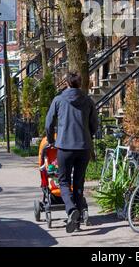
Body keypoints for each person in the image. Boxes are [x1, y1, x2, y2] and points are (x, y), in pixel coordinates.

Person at [45, 71, 98, 233]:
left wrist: (51, 140)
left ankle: (71, 209)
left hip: (65, 147)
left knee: (63, 181)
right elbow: (94, 124)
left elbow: (49, 123)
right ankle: (78, 219)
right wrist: (88, 136)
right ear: (80, 84)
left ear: (67, 83)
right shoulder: (88, 101)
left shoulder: (59, 100)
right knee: (79, 182)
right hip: (84, 147)